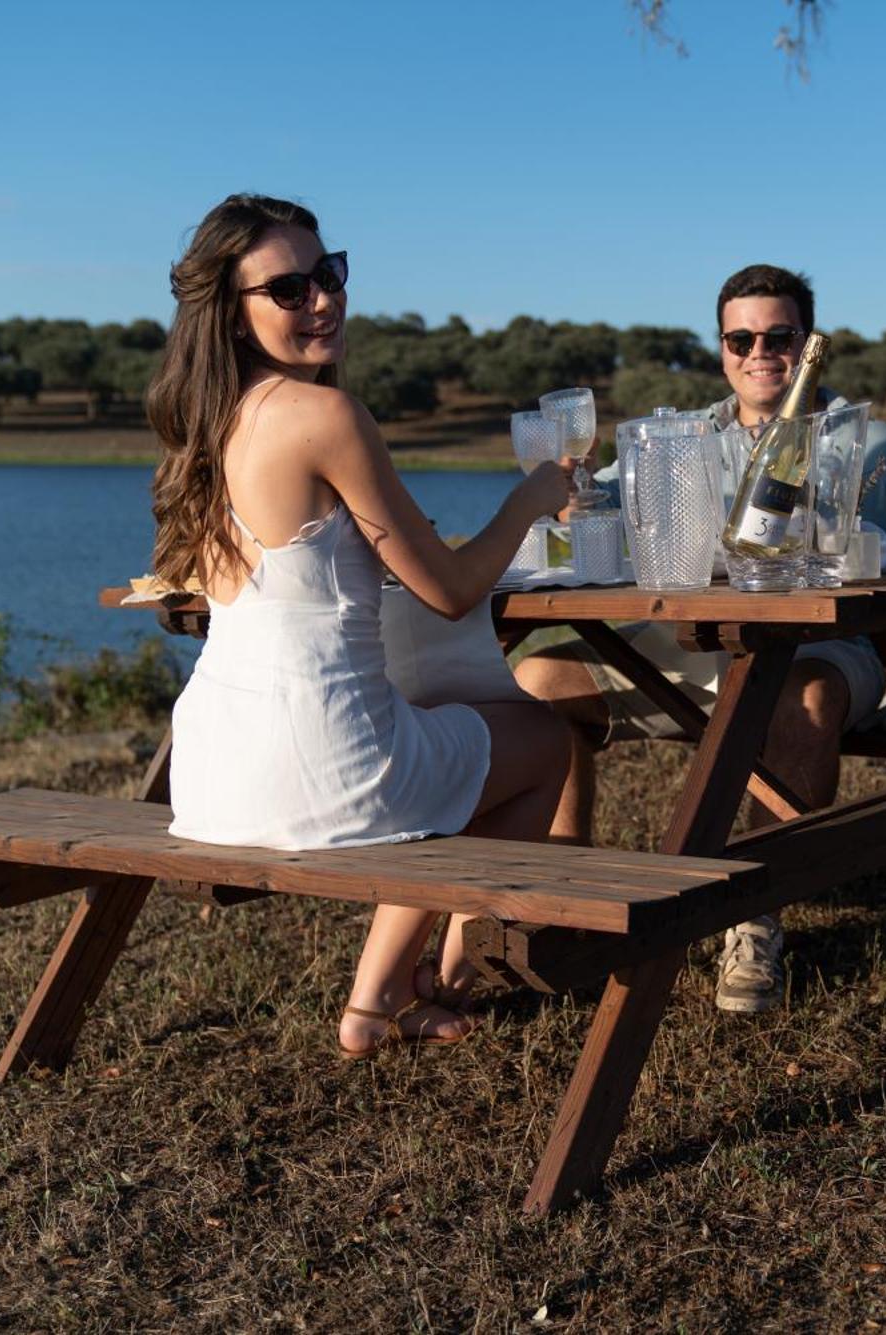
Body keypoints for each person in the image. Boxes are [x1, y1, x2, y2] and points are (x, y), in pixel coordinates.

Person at [515, 263, 886, 1013]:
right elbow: (593, 506)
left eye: (778, 335)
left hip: (823, 650)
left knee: (802, 700)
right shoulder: (680, 439)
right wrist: (567, 494)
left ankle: (752, 921)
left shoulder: (874, 444)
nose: (759, 351)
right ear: (721, 348)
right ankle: (568, 903)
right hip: (692, 646)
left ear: (807, 344)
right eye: (741, 337)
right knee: (538, 684)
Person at [149, 194, 575, 1058]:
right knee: (542, 736)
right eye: (289, 288)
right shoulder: (326, 417)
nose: (322, 299)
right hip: (325, 769)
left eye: (329, 273)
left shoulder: (205, 427)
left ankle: (384, 995)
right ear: (232, 317)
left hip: (210, 775)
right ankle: (445, 974)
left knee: (448, 741)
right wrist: (529, 503)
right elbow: (452, 590)